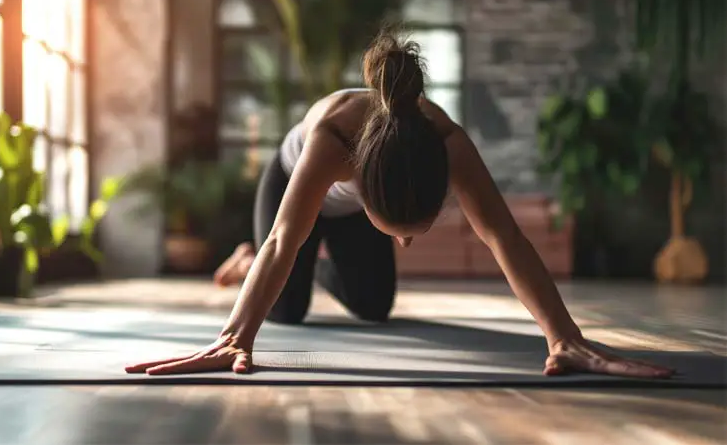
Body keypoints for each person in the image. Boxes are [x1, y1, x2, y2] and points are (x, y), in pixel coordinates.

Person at [126, 28, 674, 379]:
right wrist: (233, 338)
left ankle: (318, 266)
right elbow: (282, 239)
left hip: (355, 208)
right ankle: (243, 263)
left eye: (412, 232)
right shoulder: (330, 142)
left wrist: (565, 337)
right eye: (398, 231)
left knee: (373, 307)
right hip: (290, 184)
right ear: (365, 186)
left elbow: (507, 238)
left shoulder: (447, 141)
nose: (407, 242)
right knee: (286, 308)